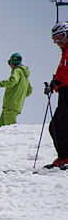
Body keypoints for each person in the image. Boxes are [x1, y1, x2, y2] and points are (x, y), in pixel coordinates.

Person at [45, 21, 68, 168]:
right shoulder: (65, 52)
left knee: (60, 125)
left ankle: (65, 157)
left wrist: (57, 83)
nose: (58, 42)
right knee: (56, 125)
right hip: (64, 92)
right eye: (55, 39)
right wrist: (54, 84)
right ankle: (63, 156)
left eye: (61, 37)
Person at [0, 53, 33, 127]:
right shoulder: (25, 76)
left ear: (12, 63)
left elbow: (12, 81)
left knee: (10, 129)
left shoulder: (17, 71)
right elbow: (29, 90)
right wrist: (19, 96)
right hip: (14, 105)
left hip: (10, 104)